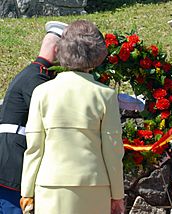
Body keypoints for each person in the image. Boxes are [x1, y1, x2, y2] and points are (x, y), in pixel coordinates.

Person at [20, 20, 125, 214]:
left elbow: (34, 148)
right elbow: (113, 151)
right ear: (97, 53)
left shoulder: (42, 92)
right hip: (94, 186)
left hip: (50, 186)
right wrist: (117, 194)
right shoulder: (105, 95)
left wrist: (27, 192)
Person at [0, 21, 67, 214]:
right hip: (13, 160)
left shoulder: (33, 73)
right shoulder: (37, 78)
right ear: (57, 49)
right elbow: (50, 117)